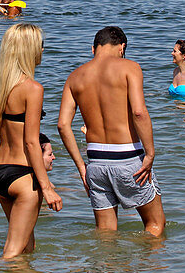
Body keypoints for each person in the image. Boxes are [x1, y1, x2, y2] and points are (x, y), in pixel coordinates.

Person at [57, 26, 165, 236]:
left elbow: (62, 125)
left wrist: (82, 167)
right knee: (155, 225)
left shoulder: (75, 77)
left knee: (105, 233)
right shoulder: (129, 68)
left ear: (93, 48)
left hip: (96, 163)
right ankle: (142, 269)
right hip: (128, 159)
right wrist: (150, 154)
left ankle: (107, 267)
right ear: (122, 47)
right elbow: (139, 113)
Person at [0, 23, 62, 259]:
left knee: (27, 247)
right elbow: (32, 143)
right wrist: (47, 187)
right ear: (29, 50)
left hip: (1, 175)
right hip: (24, 176)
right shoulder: (32, 89)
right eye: (40, 46)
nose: (42, 51)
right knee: (13, 251)